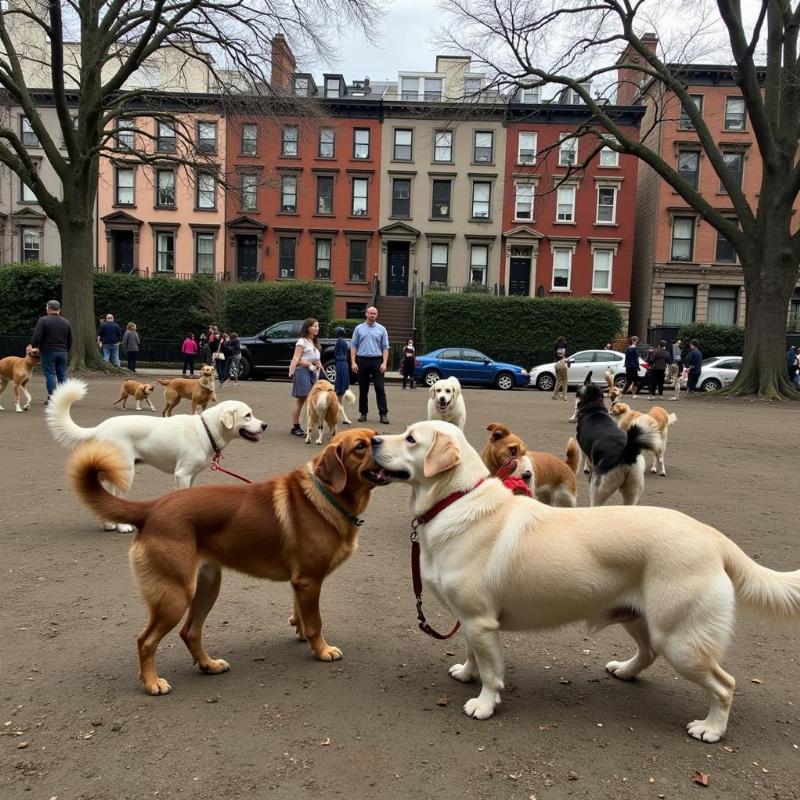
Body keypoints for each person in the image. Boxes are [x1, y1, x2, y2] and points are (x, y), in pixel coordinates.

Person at [350, 306, 390, 424]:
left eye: (374, 313)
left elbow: (385, 347)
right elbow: (353, 346)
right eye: (370, 313)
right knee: (363, 389)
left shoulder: (382, 329)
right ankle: (363, 413)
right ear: (366, 314)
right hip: (362, 361)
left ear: (377, 315)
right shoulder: (358, 329)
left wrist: (384, 363)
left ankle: (383, 414)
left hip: (377, 361)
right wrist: (353, 362)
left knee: (380, 388)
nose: (372, 315)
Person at [31, 299, 72, 404]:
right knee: (62, 374)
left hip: (48, 351)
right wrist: (65, 350)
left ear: (48, 308)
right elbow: (70, 339)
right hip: (62, 351)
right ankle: (65, 398)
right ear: (59, 309)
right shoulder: (66, 322)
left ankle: (52, 397)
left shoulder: (43, 320)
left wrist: (34, 345)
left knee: (50, 374)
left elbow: (37, 335)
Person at [288, 318, 321, 436]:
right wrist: (292, 370)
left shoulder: (315, 343)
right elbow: (296, 359)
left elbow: (316, 359)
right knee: (302, 399)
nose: (317, 328)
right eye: (314, 326)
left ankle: (309, 425)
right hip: (303, 372)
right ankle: (296, 426)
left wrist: (319, 367)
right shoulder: (302, 341)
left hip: (313, 373)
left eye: (318, 326)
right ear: (307, 328)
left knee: (311, 400)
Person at [333, 327, 353, 423]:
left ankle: (338, 412)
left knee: (340, 388)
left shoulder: (339, 342)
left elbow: (337, 355)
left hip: (340, 364)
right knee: (340, 389)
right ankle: (339, 412)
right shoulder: (344, 342)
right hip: (343, 364)